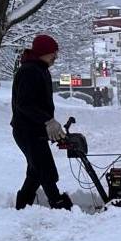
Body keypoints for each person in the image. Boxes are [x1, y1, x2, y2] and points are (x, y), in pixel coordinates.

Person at [11, 34, 72, 210]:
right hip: (26, 130)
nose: (56, 56)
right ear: (43, 52)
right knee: (45, 169)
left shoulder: (39, 69)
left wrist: (50, 124)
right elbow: (24, 104)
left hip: (35, 130)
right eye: (53, 53)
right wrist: (48, 121)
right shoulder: (29, 71)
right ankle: (58, 203)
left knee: (36, 170)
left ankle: (23, 206)